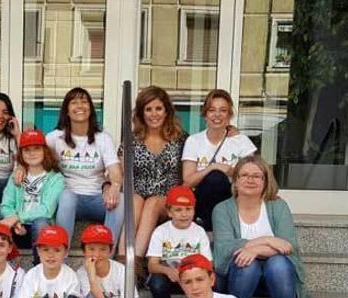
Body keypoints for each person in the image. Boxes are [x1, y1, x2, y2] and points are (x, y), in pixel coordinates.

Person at [213, 155, 311, 298]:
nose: (250, 180)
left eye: (257, 176)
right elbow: (224, 248)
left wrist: (254, 249)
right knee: (248, 264)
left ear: (266, 181)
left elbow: (288, 245)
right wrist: (267, 240)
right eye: (245, 175)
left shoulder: (278, 206)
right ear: (236, 180)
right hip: (240, 277)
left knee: (279, 264)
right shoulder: (222, 209)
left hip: (276, 280)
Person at [120, 86, 187, 278]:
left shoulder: (181, 138)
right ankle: (123, 259)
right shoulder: (132, 140)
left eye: (158, 108)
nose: (154, 114)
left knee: (152, 201)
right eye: (148, 109)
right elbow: (121, 172)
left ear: (167, 111)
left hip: (170, 201)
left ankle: (136, 263)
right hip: (139, 198)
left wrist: (229, 132)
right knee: (136, 200)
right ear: (141, 113)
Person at [47, 87, 124, 243]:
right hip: (68, 198)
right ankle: (62, 254)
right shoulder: (55, 137)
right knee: (67, 196)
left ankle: (107, 254)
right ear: (66, 111)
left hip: (97, 197)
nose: (80, 106)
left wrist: (114, 186)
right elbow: (31, 155)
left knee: (121, 199)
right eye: (74, 102)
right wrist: (20, 167)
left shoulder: (103, 138)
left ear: (91, 108)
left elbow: (115, 171)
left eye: (84, 101)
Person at [0, 129, 64, 266]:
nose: (32, 153)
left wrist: (18, 217)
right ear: (21, 154)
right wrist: (14, 221)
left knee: (41, 222)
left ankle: (39, 267)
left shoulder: (56, 178)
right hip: (15, 228)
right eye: (27, 150)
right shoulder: (17, 175)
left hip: (37, 229)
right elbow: (5, 205)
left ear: (45, 151)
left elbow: (47, 210)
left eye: (36, 149)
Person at [181, 89, 256, 231]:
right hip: (201, 201)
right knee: (214, 177)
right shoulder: (194, 141)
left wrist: (228, 170)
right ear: (205, 114)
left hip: (233, 200)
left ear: (229, 116)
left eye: (223, 110)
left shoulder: (241, 141)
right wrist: (212, 167)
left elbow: (252, 175)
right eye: (212, 110)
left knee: (218, 178)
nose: (217, 115)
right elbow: (188, 181)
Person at [146, 185, 212, 298]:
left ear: (194, 210)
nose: (184, 214)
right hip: (171, 278)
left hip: (192, 277)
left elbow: (208, 263)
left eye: (188, 209)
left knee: (216, 282)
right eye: (178, 210)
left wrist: (191, 273)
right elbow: (152, 265)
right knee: (156, 282)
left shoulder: (199, 231)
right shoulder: (161, 231)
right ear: (169, 212)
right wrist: (167, 271)